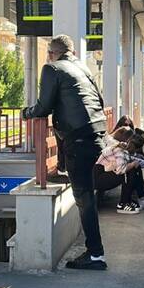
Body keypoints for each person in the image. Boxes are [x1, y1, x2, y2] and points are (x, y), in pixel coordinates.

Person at [22, 34, 108, 271]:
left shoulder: (51, 69)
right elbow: (99, 100)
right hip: (98, 134)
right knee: (88, 194)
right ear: (71, 52)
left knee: (84, 198)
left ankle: (96, 254)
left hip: (79, 140)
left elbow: (44, 106)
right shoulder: (83, 68)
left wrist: (26, 113)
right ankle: (95, 251)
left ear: (52, 53)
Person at [94, 128, 144, 214]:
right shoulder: (120, 150)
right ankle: (123, 204)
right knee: (131, 169)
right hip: (97, 179)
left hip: (103, 176)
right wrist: (133, 164)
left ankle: (141, 197)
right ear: (135, 149)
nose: (134, 151)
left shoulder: (124, 148)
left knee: (135, 166)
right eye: (135, 149)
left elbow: (134, 160)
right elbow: (120, 171)